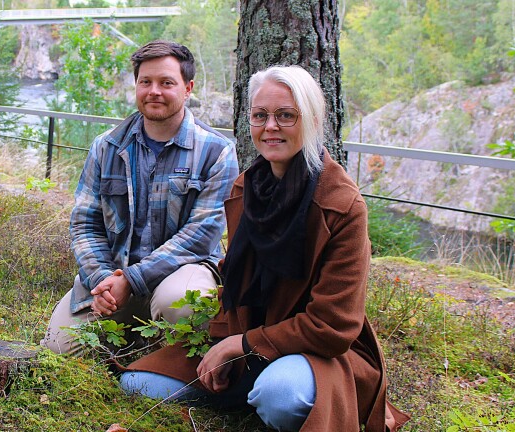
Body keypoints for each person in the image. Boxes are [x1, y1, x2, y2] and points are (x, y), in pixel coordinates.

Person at [120, 66, 410, 431]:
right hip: (252, 343)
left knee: (280, 397)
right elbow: (237, 281)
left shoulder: (341, 205)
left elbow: (333, 327)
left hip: (318, 354)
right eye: (260, 116)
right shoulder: (248, 188)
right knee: (139, 383)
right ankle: (249, 387)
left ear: (313, 120)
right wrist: (223, 341)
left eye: (286, 115)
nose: (270, 126)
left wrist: (241, 344)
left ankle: (273, 394)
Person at [41, 40, 239, 355]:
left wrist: (132, 280)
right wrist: (104, 280)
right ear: (136, 85)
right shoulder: (106, 147)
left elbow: (201, 235)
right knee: (59, 347)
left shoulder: (217, 151)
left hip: (182, 273)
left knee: (180, 304)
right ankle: (132, 341)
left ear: (187, 88)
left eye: (166, 83)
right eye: (145, 82)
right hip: (115, 273)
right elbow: (84, 223)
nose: (154, 91)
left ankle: (168, 365)